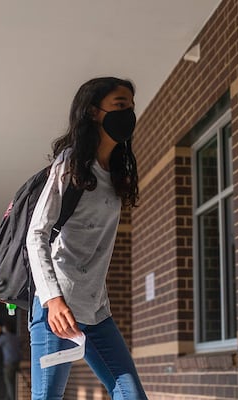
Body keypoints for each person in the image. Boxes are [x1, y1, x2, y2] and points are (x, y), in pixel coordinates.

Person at [26, 77, 147, 399]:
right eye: (121, 106)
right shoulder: (71, 164)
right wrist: (52, 300)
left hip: (96, 310)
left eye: (131, 107)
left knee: (131, 394)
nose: (129, 114)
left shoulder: (117, 171)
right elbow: (36, 233)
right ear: (94, 112)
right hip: (58, 308)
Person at [0, 318, 23, 400]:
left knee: (9, 384)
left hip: (9, 363)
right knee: (11, 383)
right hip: (17, 362)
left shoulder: (4, 337)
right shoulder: (16, 337)